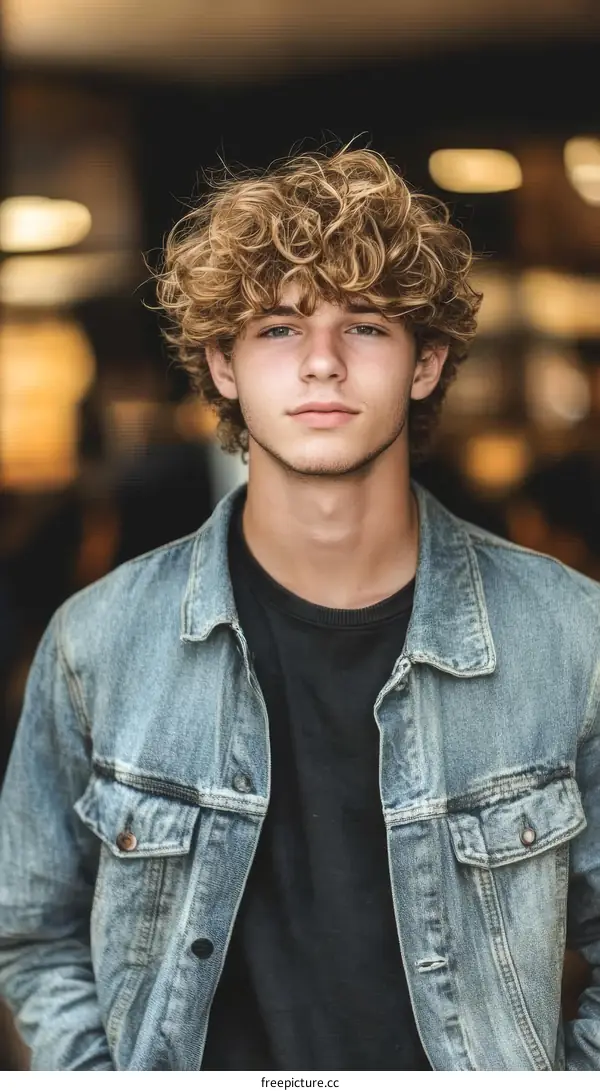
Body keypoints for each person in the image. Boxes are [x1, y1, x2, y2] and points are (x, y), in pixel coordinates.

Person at [0, 147, 598, 1073]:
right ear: (222, 366)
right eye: (277, 329)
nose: (321, 363)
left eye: (364, 325)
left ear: (427, 362)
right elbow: (32, 931)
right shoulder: (99, 641)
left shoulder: (572, 637)